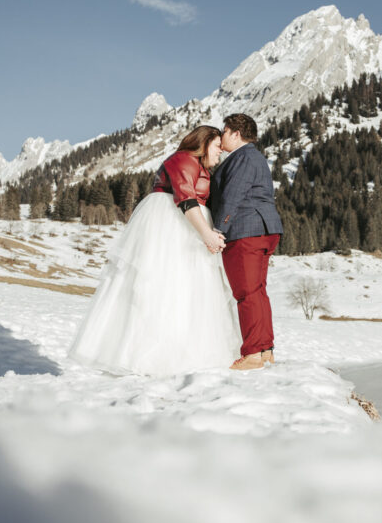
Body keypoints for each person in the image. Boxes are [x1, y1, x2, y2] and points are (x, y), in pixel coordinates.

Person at [69, 125, 241, 376]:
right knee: (163, 286)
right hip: (171, 225)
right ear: (203, 145)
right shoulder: (182, 159)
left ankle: (186, 353)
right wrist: (206, 233)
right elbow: (185, 198)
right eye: (216, 147)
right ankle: (147, 356)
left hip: (190, 225)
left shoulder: (200, 166)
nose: (219, 153)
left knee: (190, 291)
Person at [209, 113, 284, 370]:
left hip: (246, 230)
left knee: (246, 293)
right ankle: (265, 350)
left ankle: (252, 353)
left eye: (224, 131)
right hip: (263, 229)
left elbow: (233, 196)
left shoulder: (243, 157)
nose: (221, 136)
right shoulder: (253, 156)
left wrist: (218, 230)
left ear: (236, 133)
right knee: (258, 291)